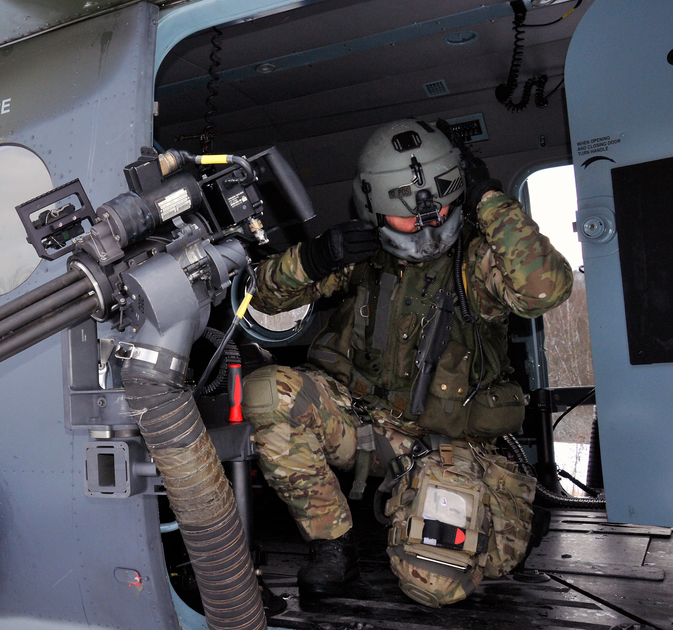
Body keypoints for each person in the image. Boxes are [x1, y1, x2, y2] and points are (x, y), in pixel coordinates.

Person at [241, 118, 572, 607]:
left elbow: (545, 289)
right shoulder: (362, 254)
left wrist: (489, 200)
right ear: (374, 209)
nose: (427, 226)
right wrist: (315, 258)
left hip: (446, 443)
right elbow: (261, 298)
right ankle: (332, 545)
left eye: (439, 210)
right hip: (365, 426)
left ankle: (503, 513)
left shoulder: (479, 261)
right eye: (408, 217)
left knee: (432, 585)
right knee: (270, 391)